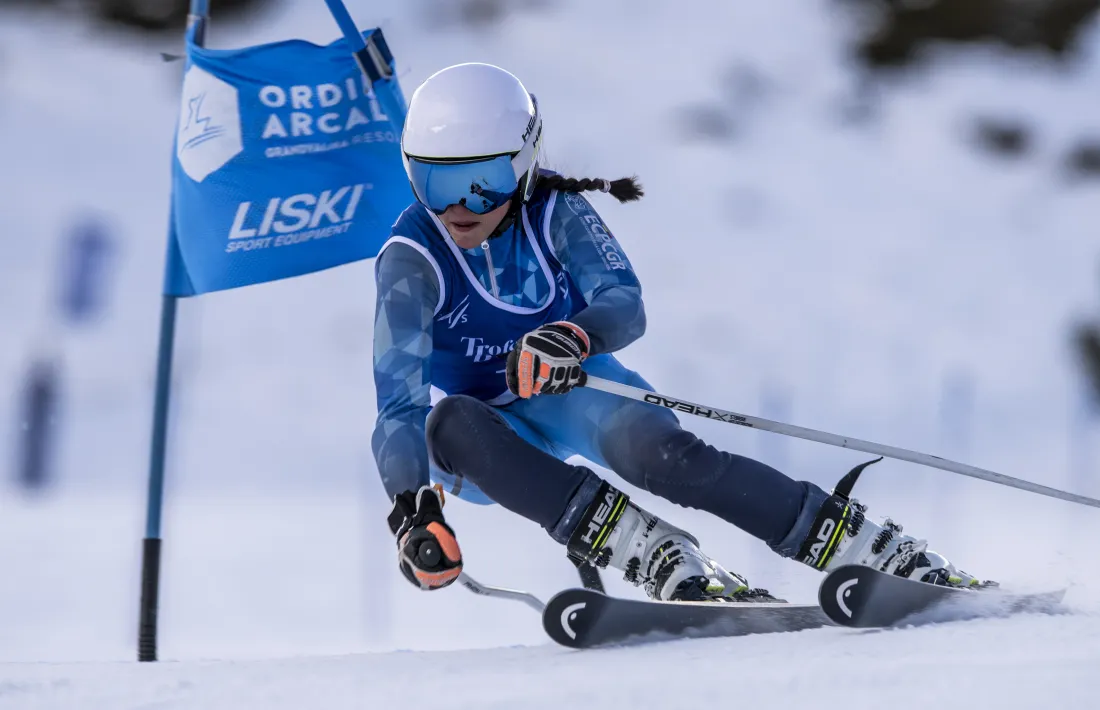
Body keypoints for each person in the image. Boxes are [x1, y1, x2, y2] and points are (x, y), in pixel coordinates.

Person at [373, 62, 979, 602]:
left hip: (563, 385)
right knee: (447, 418)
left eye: (481, 182)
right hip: (484, 440)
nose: (457, 208)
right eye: (434, 183)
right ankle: (650, 549)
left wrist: (572, 337)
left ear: (526, 164)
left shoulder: (554, 210)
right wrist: (409, 507)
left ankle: (862, 545)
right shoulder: (411, 258)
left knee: (668, 457)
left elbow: (624, 303)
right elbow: (397, 401)